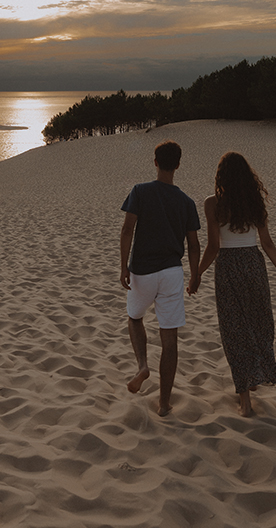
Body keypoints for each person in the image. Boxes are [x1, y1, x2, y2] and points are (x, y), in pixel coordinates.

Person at [190, 151, 276, 417]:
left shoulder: (213, 203)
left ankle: (245, 400)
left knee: (234, 329)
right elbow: (267, 243)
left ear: (221, 175)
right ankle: (255, 376)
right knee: (259, 323)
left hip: (228, 267)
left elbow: (213, 247)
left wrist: (197, 274)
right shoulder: (254, 201)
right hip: (253, 264)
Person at [120, 140, 201, 416]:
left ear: (155, 162)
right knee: (170, 338)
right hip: (171, 273)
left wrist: (123, 266)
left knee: (135, 318)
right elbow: (193, 245)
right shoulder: (186, 202)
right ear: (178, 165)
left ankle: (143, 366)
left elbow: (127, 230)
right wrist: (195, 274)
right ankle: (164, 404)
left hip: (142, 270)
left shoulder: (140, 191)